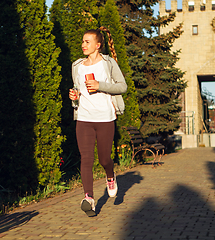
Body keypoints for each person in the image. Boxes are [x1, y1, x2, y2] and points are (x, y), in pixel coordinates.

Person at [69, 27, 127, 217]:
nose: (83, 45)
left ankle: (110, 176)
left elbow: (122, 87)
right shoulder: (77, 65)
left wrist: (100, 85)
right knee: (86, 159)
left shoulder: (108, 63)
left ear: (98, 45)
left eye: (87, 41)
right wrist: (74, 96)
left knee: (104, 159)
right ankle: (89, 199)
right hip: (84, 118)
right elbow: (78, 91)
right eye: (83, 41)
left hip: (105, 117)